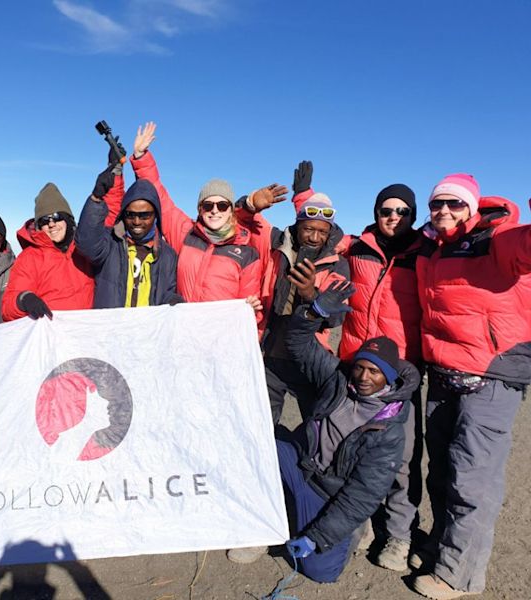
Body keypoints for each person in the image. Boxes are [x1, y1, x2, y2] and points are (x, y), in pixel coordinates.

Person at [228, 282, 420, 585]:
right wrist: (313, 312)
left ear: (389, 377)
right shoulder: (338, 379)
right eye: (360, 368)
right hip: (302, 464)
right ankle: (264, 522)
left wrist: (318, 537)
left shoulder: (389, 429)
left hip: (330, 492)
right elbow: (297, 343)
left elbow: (362, 495)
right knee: (251, 439)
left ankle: (351, 531)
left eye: (375, 372)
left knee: (319, 571)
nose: (364, 377)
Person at [409, 175, 531, 600]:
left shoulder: (497, 238)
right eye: (437, 203)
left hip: (490, 377)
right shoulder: (437, 247)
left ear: (471, 207)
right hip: (444, 374)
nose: (444, 210)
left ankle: (458, 574)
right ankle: (443, 547)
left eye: (455, 204)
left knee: (472, 480)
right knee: (441, 472)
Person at [335, 183, 424, 570]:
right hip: (357, 366)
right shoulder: (357, 248)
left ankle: (399, 534)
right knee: (352, 451)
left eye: (402, 211)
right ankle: (362, 523)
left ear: (413, 215)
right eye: (386, 210)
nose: (393, 217)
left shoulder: (426, 253)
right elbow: (314, 230)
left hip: (401, 374)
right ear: (375, 212)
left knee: (401, 461)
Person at [238, 161, 350, 423]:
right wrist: (252, 202)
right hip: (270, 355)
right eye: (308, 229)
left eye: (322, 232)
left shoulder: (337, 263)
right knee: (263, 427)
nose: (313, 237)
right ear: (297, 227)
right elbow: (241, 219)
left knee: (314, 430)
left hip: (309, 360)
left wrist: (312, 295)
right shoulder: (277, 244)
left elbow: (336, 319)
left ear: (330, 233)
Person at [128, 122, 263, 314]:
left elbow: (252, 309)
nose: (215, 211)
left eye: (222, 205)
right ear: (200, 209)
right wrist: (141, 158)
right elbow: (161, 199)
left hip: (219, 338)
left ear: (231, 210)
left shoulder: (247, 254)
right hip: (183, 331)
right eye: (208, 205)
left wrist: (251, 310)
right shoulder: (186, 233)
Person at [75, 152, 179, 308]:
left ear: (156, 215)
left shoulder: (168, 256)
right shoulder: (110, 243)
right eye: (130, 214)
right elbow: (86, 244)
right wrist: (96, 199)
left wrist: (173, 300)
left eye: (144, 215)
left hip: (147, 331)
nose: (136, 221)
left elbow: (167, 291)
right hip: (110, 330)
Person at [1, 183, 95, 321]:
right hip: (50, 337)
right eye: (45, 220)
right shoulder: (30, 258)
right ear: (39, 226)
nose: (51, 224)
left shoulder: (85, 249)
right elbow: (7, 309)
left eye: (57, 217)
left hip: (86, 334)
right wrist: (24, 299)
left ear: (68, 219)